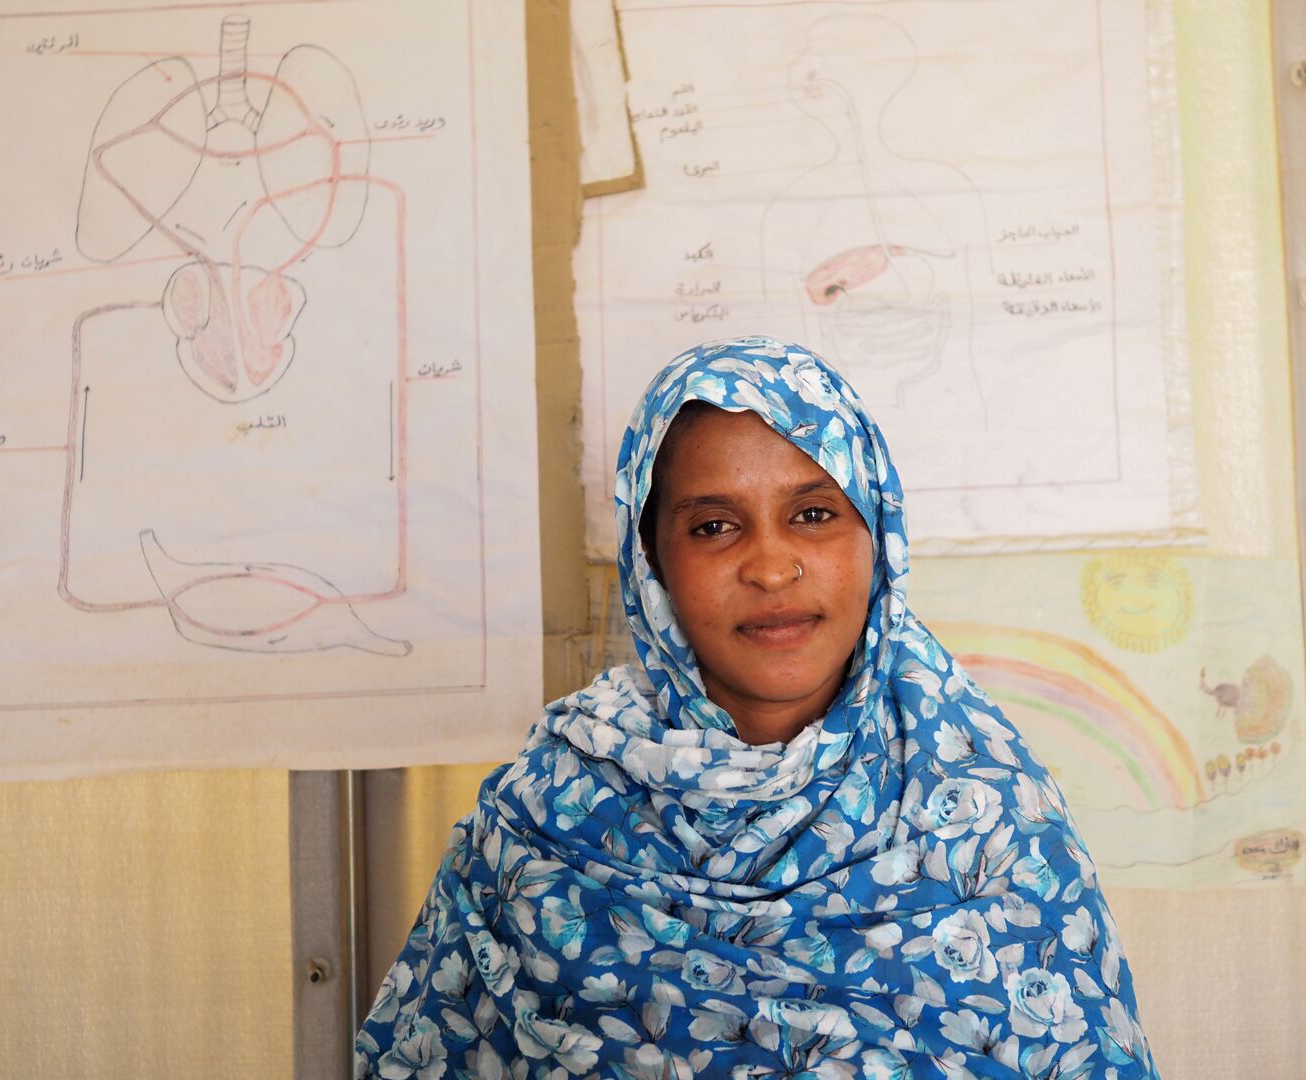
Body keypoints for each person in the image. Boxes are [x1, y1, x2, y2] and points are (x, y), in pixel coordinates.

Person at [354, 336, 1158, 1079]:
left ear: (876, 534)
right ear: (653, 565)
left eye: (813, 514)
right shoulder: (540, 819)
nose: (772, 568)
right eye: (713, 526)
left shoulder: (987, 813)